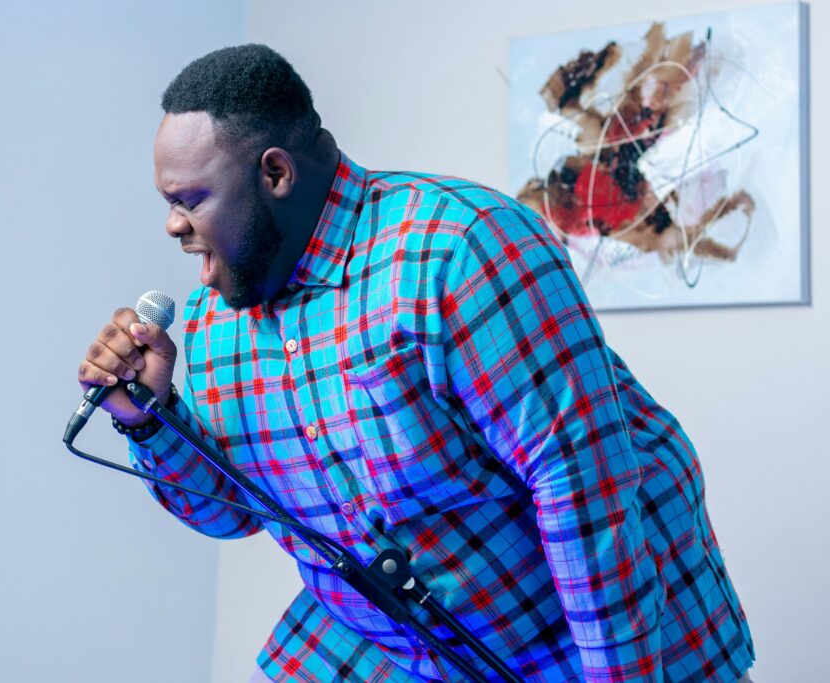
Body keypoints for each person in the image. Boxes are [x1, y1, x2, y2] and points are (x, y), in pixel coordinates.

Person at [77, 44, 755, 682]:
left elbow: (584, 488)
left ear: (275, 174)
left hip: (582, 626)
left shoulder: (461, 248)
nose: (172, 224)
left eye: (189, 199)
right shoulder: (215, 322)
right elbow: (233, 514)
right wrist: (149, 419)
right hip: (395, 635)